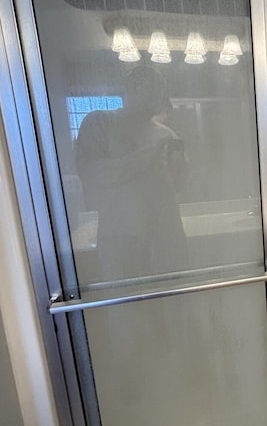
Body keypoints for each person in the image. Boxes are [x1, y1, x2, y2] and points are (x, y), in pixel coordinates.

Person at [75, 64, 188, 284]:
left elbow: (179, 188)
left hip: (166, 234)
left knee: (172, 308)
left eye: (158, 93)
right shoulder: (99, 122)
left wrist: (180, 172)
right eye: (148, 92)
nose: (153, 100)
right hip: (120, 239)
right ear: (129, 90)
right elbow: (91, 174)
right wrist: (142, 160)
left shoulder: (166, 134)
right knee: (126, 311)